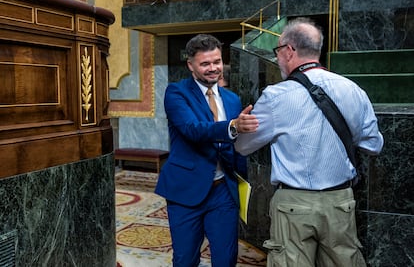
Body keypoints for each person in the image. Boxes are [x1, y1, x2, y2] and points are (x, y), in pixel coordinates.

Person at [234, 17, 384, 267]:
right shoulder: (353, 90)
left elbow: (243, 146)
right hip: (340, 202)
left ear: (289, 50)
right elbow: (373, 145)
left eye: (278, 51)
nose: (278, 58)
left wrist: (240, 128)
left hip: (293, 205)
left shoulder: (276, 96)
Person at [155, 34, 258, 266]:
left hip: (223, 191)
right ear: (190, 65)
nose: (214, 69)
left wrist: (242, 182)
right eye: (205, 64)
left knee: (226, 258)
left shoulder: (232, 99)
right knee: (185, 259)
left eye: (217, 62)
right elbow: (193, 129)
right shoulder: (176, 93)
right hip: (185, 191)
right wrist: (232, 126)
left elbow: (236, 146)